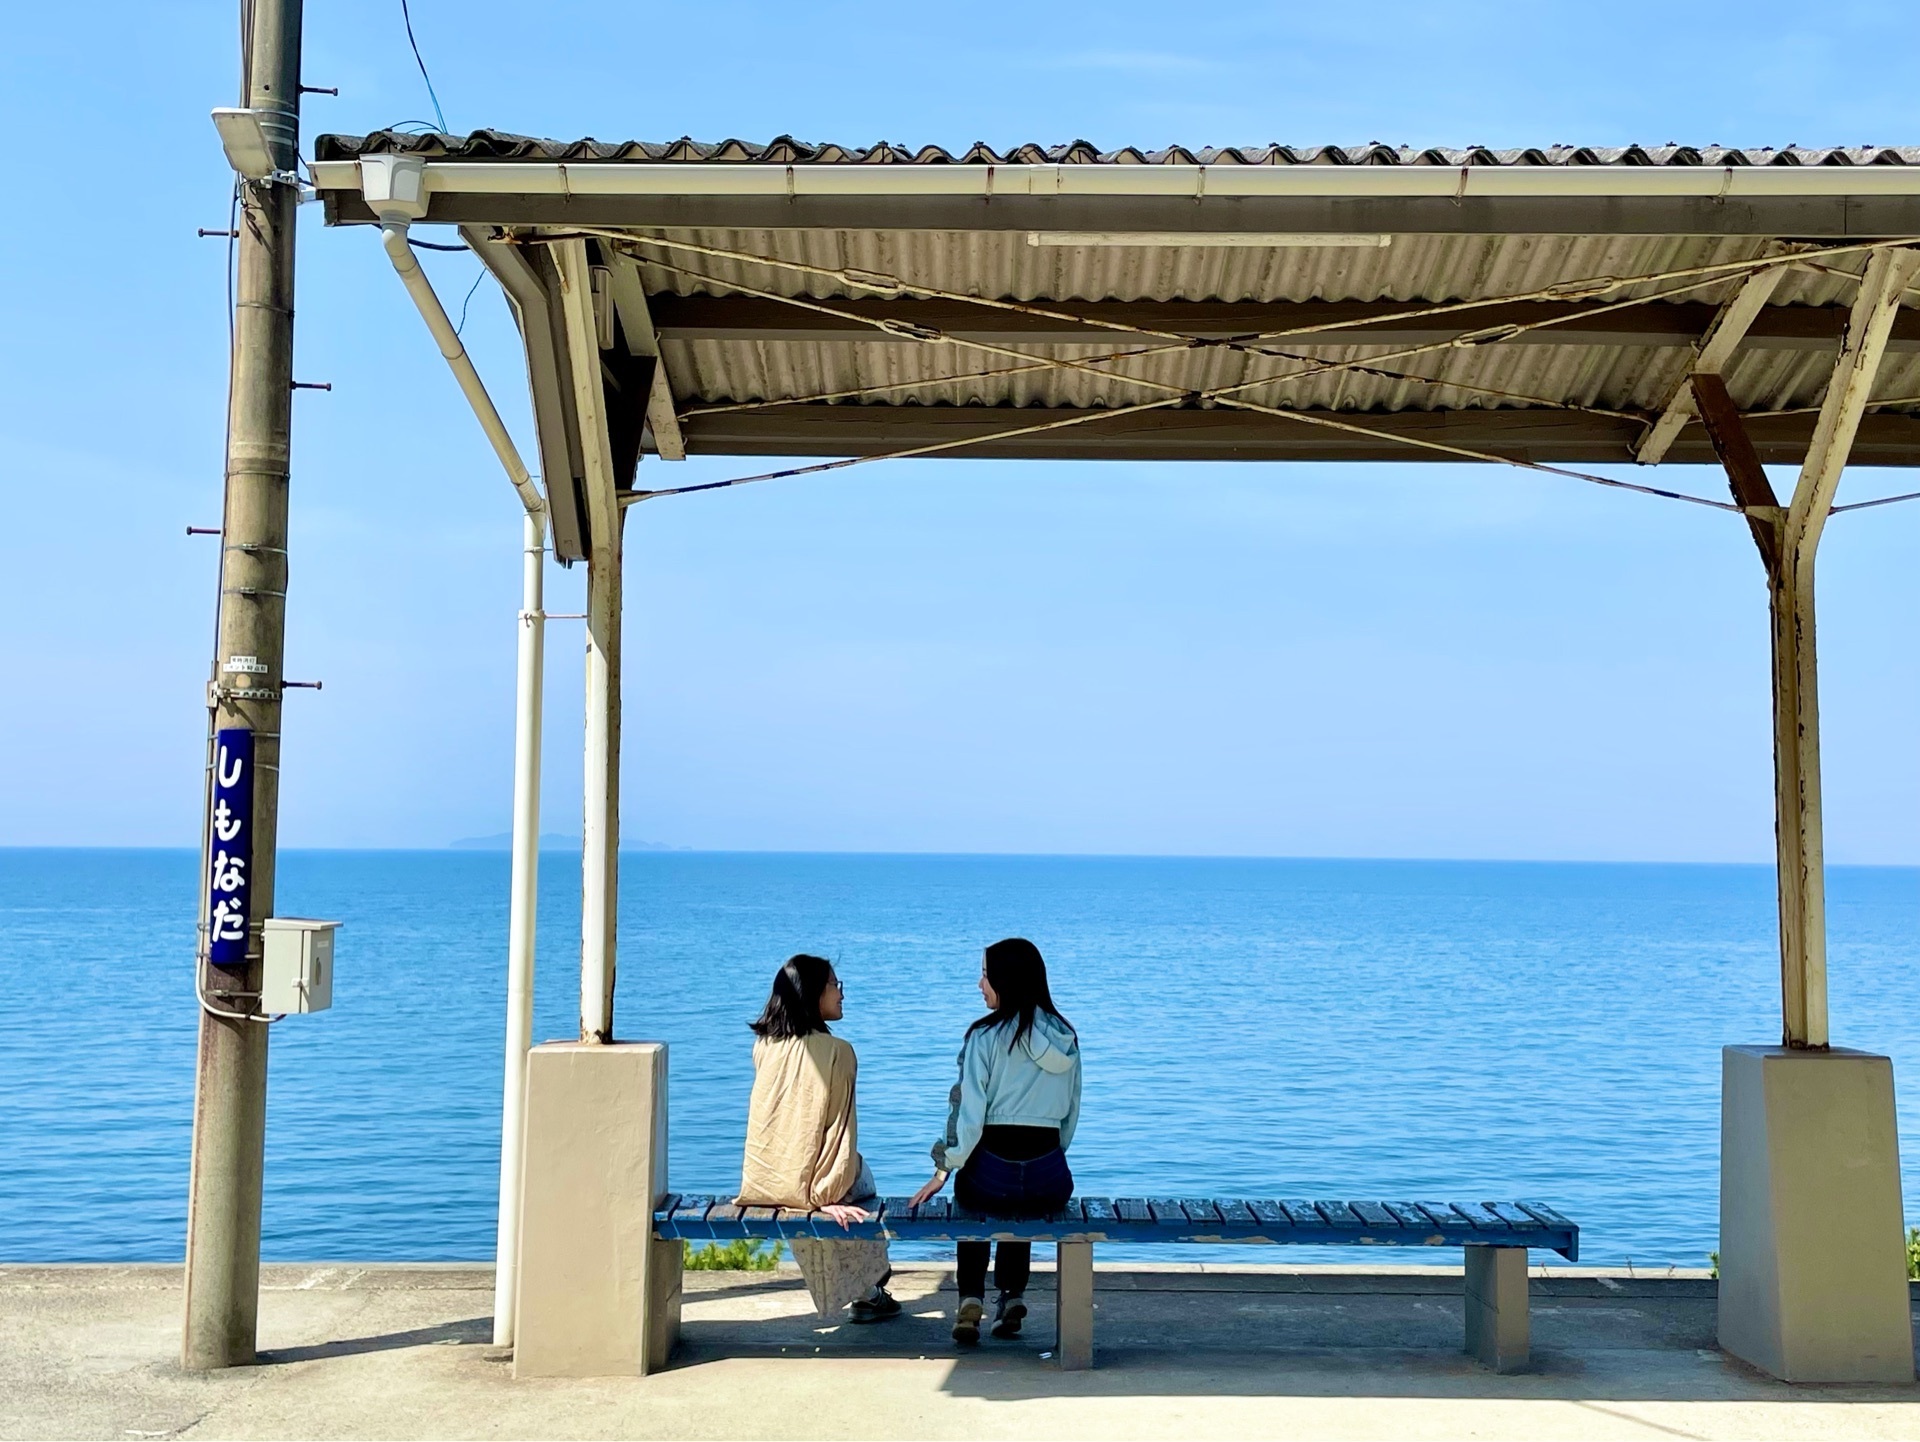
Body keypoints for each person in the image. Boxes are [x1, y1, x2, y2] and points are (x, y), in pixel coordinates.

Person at [910, 937, 1082, 1346]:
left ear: (1005, 979)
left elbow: (967, 1120)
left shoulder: (983, 1038)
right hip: (1049, 1177)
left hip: (991, 1177)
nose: (979, 984)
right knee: (1019, 1203)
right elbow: (1070, 1118)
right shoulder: (1065, 1037)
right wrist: (1045, 1161)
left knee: (973, 1193)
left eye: (985, 975)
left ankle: (970, 1296)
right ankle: (1011, 1297)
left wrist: (942, 1169)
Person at [737, 954, 900, 1323]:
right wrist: (822, 1197)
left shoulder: (763, 1047)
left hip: (765, 1179)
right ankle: (870, 1281)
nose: (841, 994)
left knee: (823, 1197)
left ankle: (868, 1290)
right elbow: (840, 1133)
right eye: (834, 985)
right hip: (812, 1182)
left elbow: (776, 1126)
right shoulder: (838, 1052)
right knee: (860, 1177)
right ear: (812, 992)